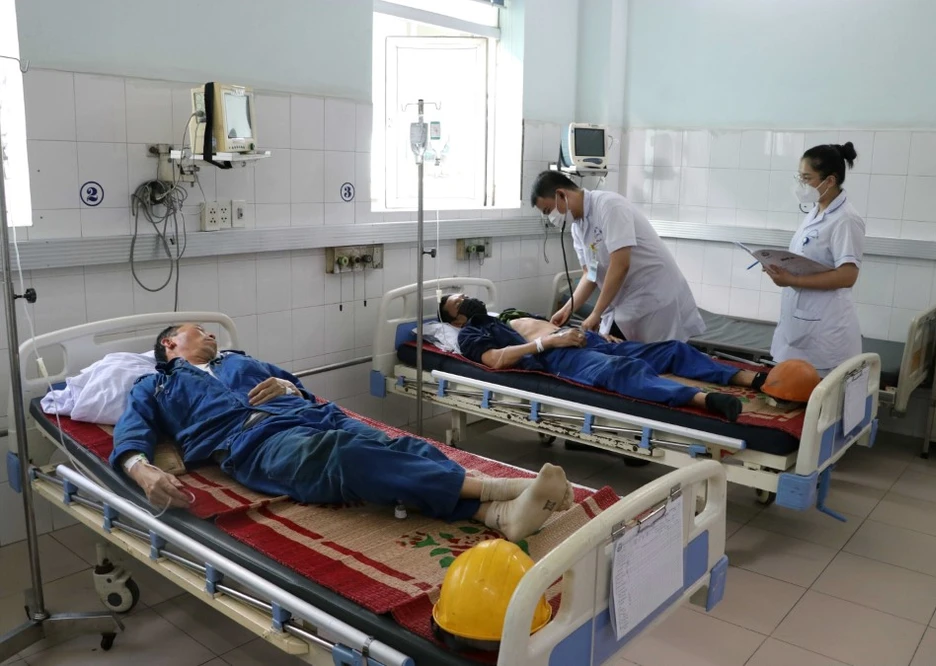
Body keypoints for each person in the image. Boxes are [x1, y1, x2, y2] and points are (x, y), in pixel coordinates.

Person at [112, 324, 574, 542]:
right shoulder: (156, 385)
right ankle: (506, 489)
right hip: (254, 440)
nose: (212, 333)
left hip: (312, 415)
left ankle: (494, 516)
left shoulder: (240, 360)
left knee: (398, 445)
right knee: (345, 455)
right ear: (170, 344)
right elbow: (130, 434)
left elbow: (303, 390)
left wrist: (289, 385)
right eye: (199, 331)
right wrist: (141, 470)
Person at [439, 295, 763, 423]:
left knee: (671, 349)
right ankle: (706, 400)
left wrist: (588, 332)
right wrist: (548, 342)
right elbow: (495, 360)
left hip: (585, 339)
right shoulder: (470, 335)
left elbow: (555, 325)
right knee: (623, 370)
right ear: (455, 321)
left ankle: (750, 379)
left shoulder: (504, 317)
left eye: (465, 294)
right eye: (460, 303)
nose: (468, 299)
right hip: (558, 357)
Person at [530, 171, 705, 343]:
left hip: (654, 296)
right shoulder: (578, 228)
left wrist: (596, 313)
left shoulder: (609, 206)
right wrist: (568, 309)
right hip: (628, 303)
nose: (551, 218)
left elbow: (620, 265)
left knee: (661, 360)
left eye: (548, 210)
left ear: (561, 194)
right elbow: (590, 274)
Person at [767, 143, 864, 375]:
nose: (801, 185)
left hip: (825, 334)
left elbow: (848, 275)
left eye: (806, 178)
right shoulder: (816, 211)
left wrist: (792, 280)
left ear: (829, 180)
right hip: (801, 325)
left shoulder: (845, 219)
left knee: (817, 404)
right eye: (800, 177)